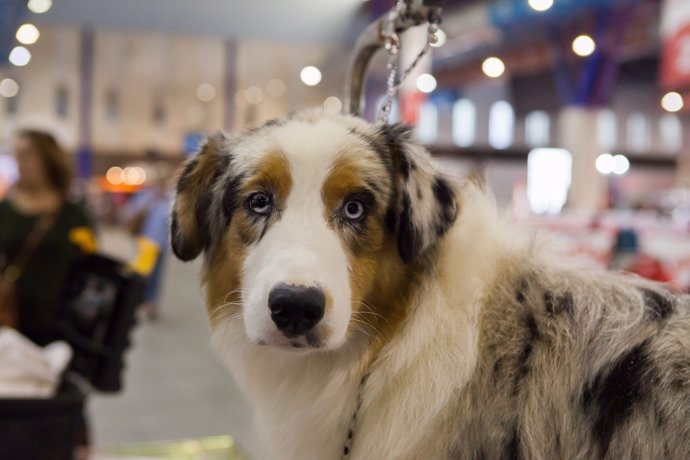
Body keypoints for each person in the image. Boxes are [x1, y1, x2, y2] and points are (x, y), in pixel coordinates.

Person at [0, 129, 94, 345]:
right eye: (18, 155)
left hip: (59, 327)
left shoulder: (73, 214)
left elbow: (90, 263)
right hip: (9, 321)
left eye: (28, 155)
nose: (21, 163)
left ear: (48, 158)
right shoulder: (4, 210)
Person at [121, 155, 172, 320]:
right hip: (146, 242)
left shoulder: (170, 197)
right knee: (143, 273)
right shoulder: (147, 195)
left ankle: (149, 302)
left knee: (155, 275)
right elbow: (132, 212)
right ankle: (140, 300)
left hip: (160, 243)